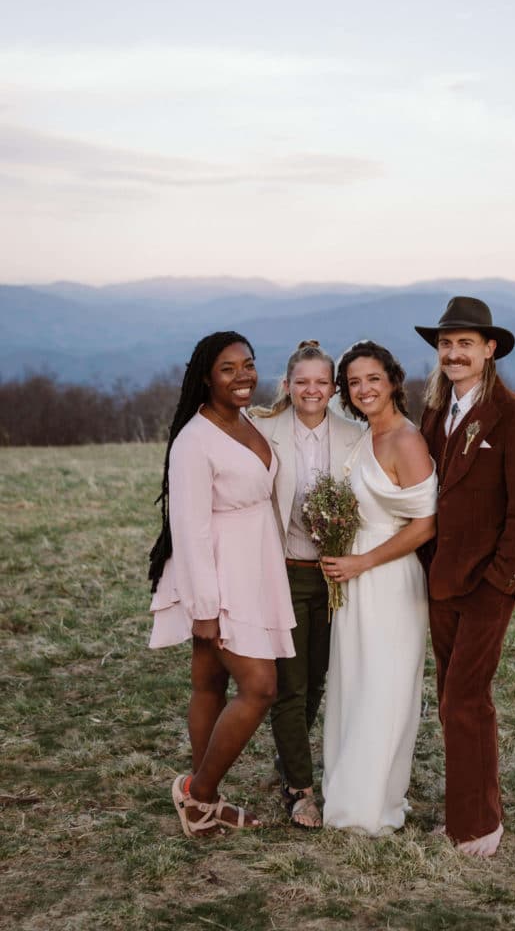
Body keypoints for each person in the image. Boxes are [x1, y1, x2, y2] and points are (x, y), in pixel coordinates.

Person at [415, 296, 515, 857]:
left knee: (464, 700)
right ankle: (467, 810)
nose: (454, 353)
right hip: (440, 580)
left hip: (488, 585)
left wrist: (502, 577)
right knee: (452, 693)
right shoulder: (431, 414)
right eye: (446, 344)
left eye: (465, 343)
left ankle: (477, 826)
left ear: (490, 350)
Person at [148, 331, 296, 838]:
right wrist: (204, 608)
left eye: (248, 365)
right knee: (259, 687)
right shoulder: (195, 440)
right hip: (218, 576)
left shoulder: (249, 420)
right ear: (206, 377)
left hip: (254, 567)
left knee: (209, 683)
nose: (242, 376)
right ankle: (198, 794)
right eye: (228, 368)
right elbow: (189, 530)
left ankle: (207, 803)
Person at [320, 341, 437, 835]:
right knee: (353, 685)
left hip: (388, 579)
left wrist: (363, 560)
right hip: (353, 580)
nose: (364, 389)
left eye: (373, 378)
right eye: (353, 382)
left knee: (384, 690)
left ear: (392, 380)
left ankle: (373, 807)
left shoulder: (406, 440)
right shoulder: (363, 437)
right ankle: (347, 794)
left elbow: (425, 524)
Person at [249, 341, 364, 828]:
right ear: (288, 386)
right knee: (290, 688)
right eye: (302, 382)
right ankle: (299, 788)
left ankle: (286, 756)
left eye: (321, 382)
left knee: (319, 679)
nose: (311, 390)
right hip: (285, 574)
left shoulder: (356, 435)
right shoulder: (260, 430)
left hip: (338, 578)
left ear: (334, 389)